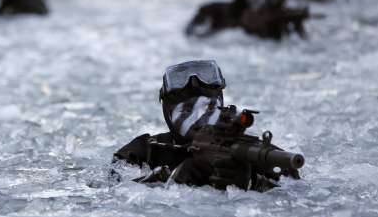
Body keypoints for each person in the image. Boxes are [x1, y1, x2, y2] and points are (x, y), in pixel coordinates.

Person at [113, 60, 299, 190]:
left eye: (209, 109)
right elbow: (111, 195)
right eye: (186, 112)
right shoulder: (143, 152)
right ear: (168, 114)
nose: (199, 119)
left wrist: (252, 183)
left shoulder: (256, 154)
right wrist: (172, 180)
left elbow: (300, 196)